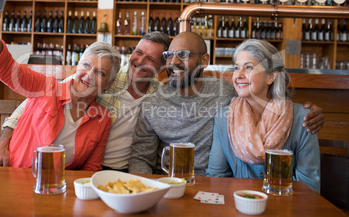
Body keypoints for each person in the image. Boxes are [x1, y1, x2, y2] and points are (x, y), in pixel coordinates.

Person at [129, 32, 325, 177]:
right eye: (169, 55)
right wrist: (145, 190)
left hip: (214, 188)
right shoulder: (151, 104)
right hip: (168, 185)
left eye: (183, 54)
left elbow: (268, 94)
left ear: (204, 60)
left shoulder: (228, 94)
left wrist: (309, 113)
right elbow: (140, 159)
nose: (174, 62)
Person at [0, 0, 121, 170]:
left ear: (109, 84)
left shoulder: (103, 119)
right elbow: (3, 66)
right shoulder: (47, 87)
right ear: (77, 66)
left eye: (100, 73)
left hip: (57, 191)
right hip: (15, 180)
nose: (89, 75)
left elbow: (90, 169)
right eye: (86, 65)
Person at [0, 31, 171, 171]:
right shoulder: (100, 77)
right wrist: (2, 143)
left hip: (120, 169)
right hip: (84, 166)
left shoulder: (159, 95)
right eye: (138, 52)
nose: (140, 61)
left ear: (162, 67)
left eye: (151, 59)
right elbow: (31, 103)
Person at [205, 39, 320, 193]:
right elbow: (215, 178)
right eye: (236, 67)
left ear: (270, 76)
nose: (238, 75)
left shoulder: (303, 118)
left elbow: (309, 188)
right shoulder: (224, 117)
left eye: (248, 67)